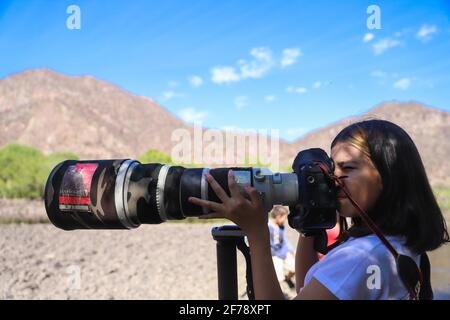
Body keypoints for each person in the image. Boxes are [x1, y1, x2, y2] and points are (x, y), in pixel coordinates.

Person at [189, 119, 449, 300]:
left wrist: (257, 235)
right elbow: (310, 289)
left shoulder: (359, 258)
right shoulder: (396, 244)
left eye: (347, 169)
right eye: (330, 169)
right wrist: (310, 224)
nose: (333, 179)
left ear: (389, 176)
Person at [267, 206, 296, 292]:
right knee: (278, 276)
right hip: (275, 255)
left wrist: (292, 250)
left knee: (294, 268)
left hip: (283, 251)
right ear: (278, 217)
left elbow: (284, 240)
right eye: (284, 218)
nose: (285, 220)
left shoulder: (281, 227)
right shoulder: (268, 227)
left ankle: (287, 278)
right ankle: (279, 292)